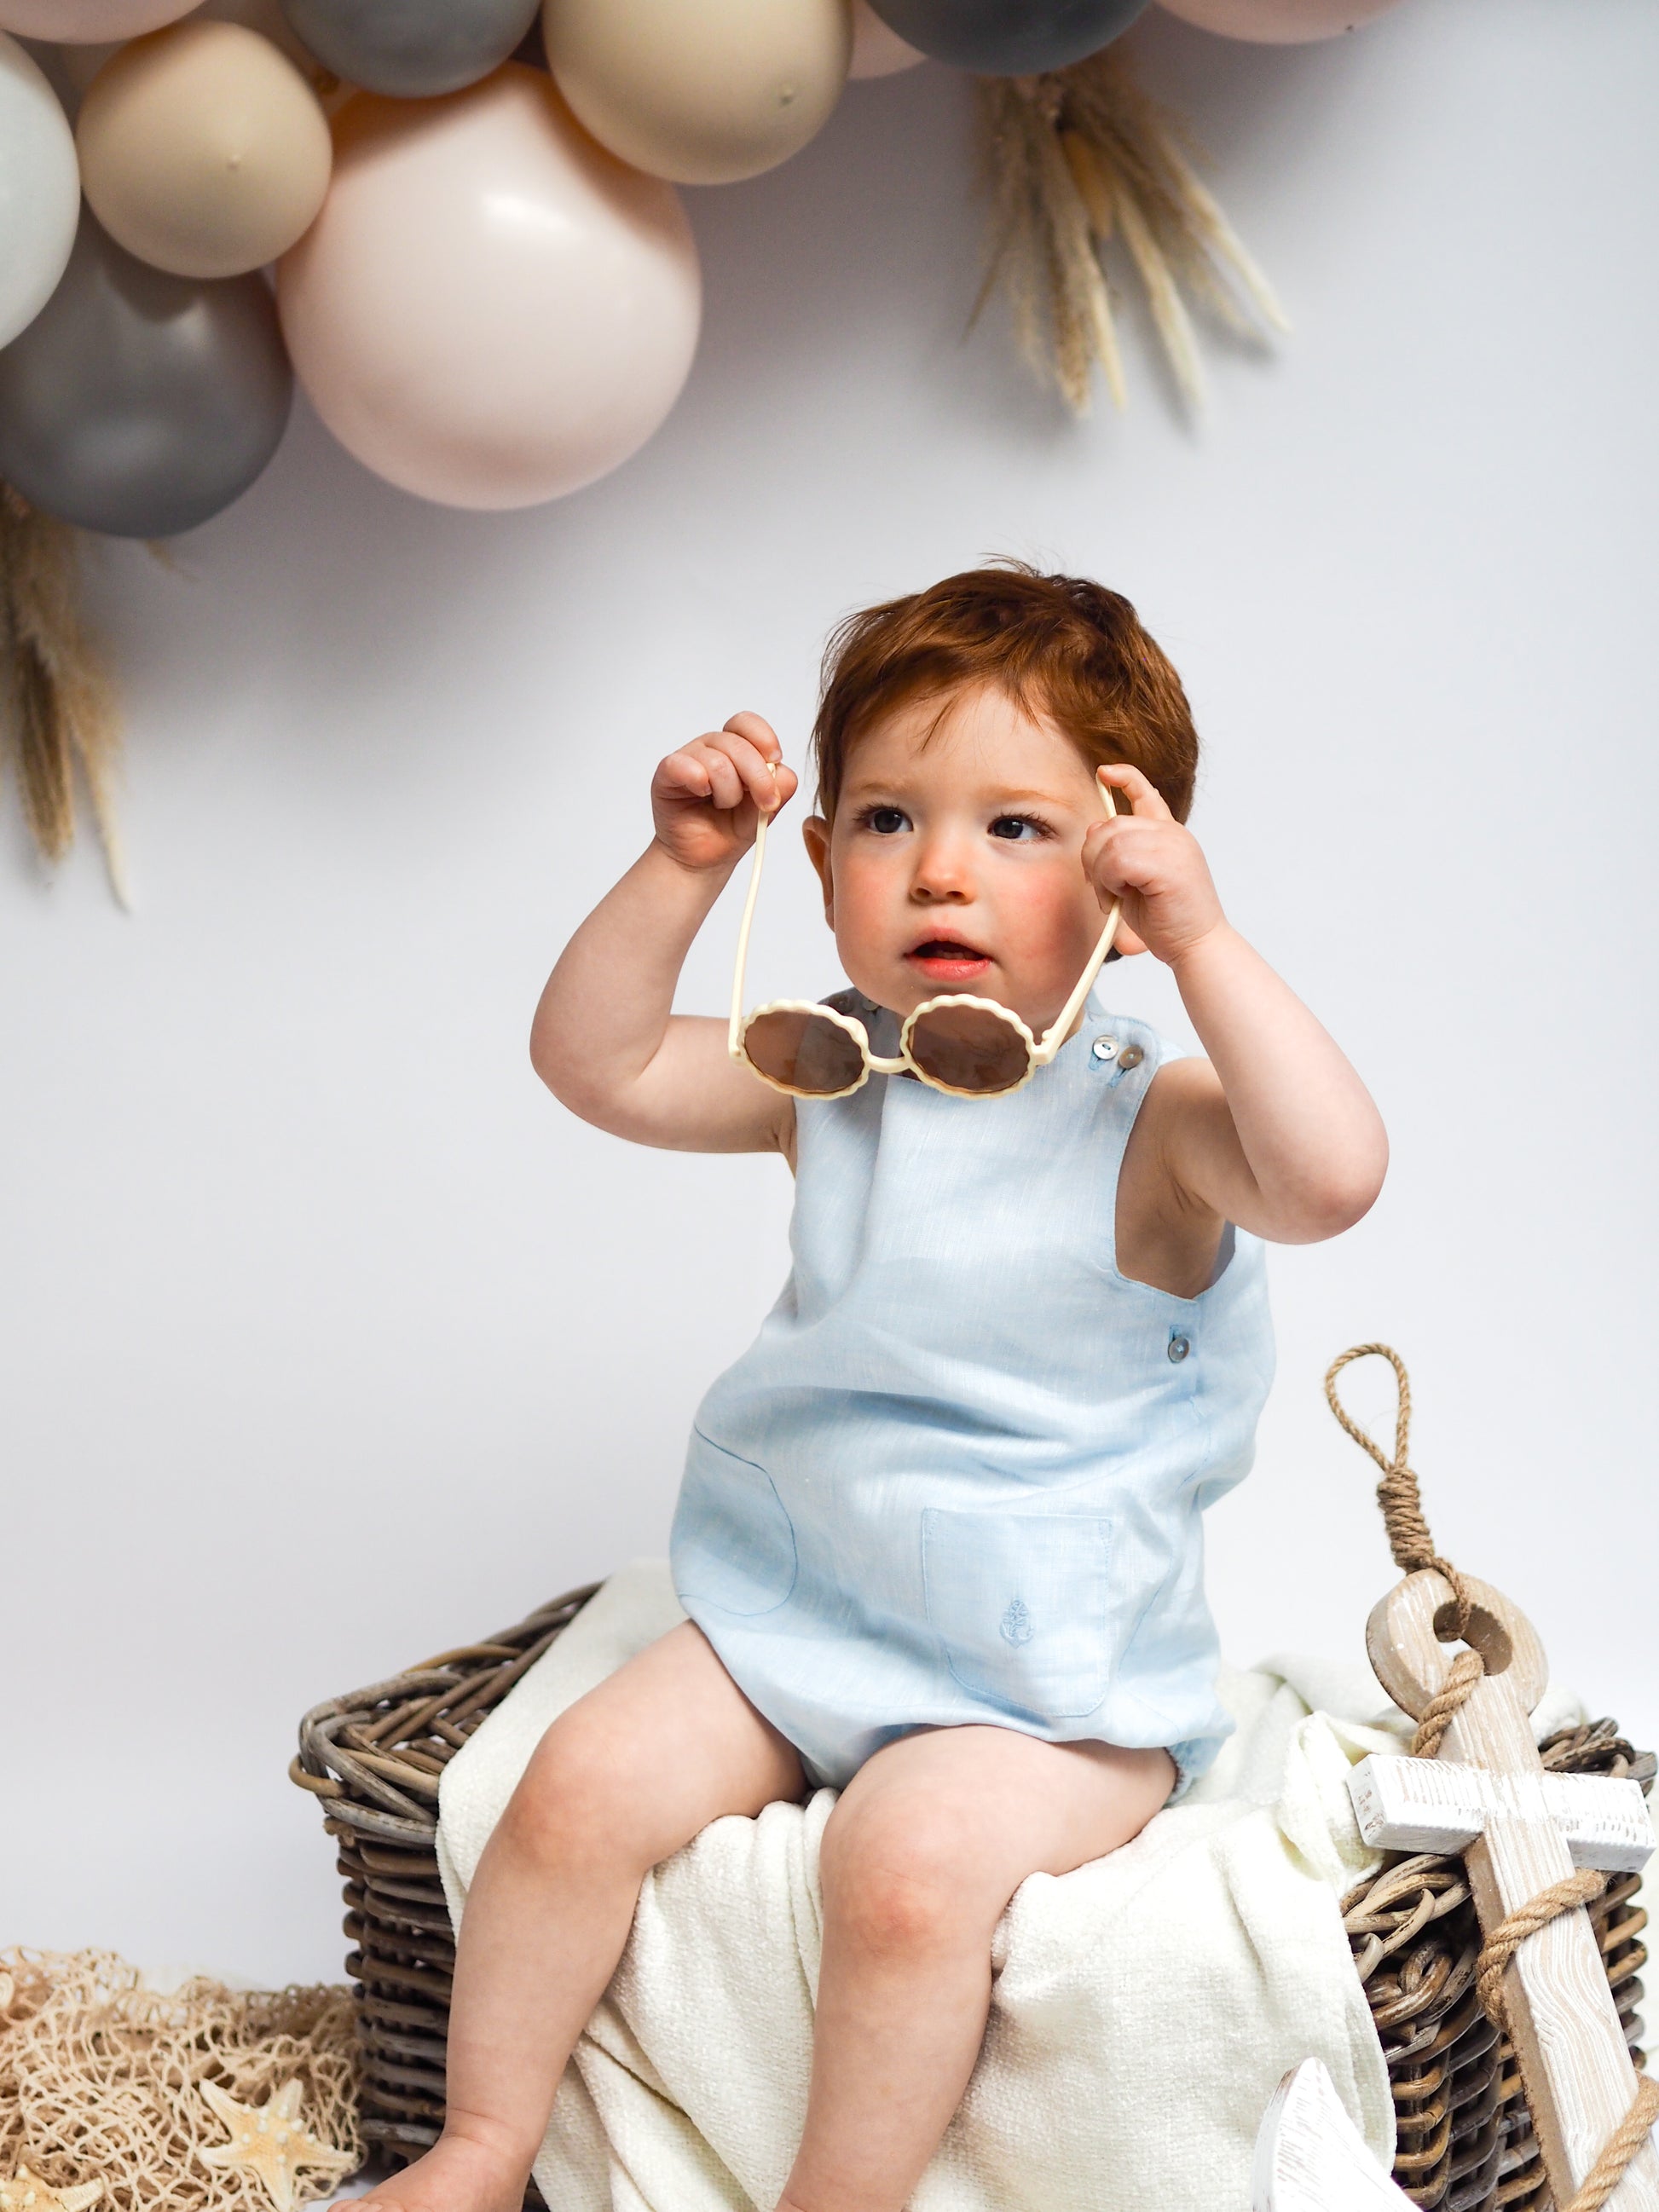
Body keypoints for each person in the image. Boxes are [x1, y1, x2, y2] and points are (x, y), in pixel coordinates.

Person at [365, 564, 1388, 2212]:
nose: (939, 869)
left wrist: (1203, 939)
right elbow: (599, 1063)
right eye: (888, 817)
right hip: (801, 1608)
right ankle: (478, 2147)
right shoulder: (831, 1069)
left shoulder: (1161, 1119)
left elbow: (1332, 1178)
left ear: (1123, 873)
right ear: (825, 850)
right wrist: (680, 866)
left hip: (1042, 1679)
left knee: (901, 1874)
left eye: (1016, 829)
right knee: (568, 1791)